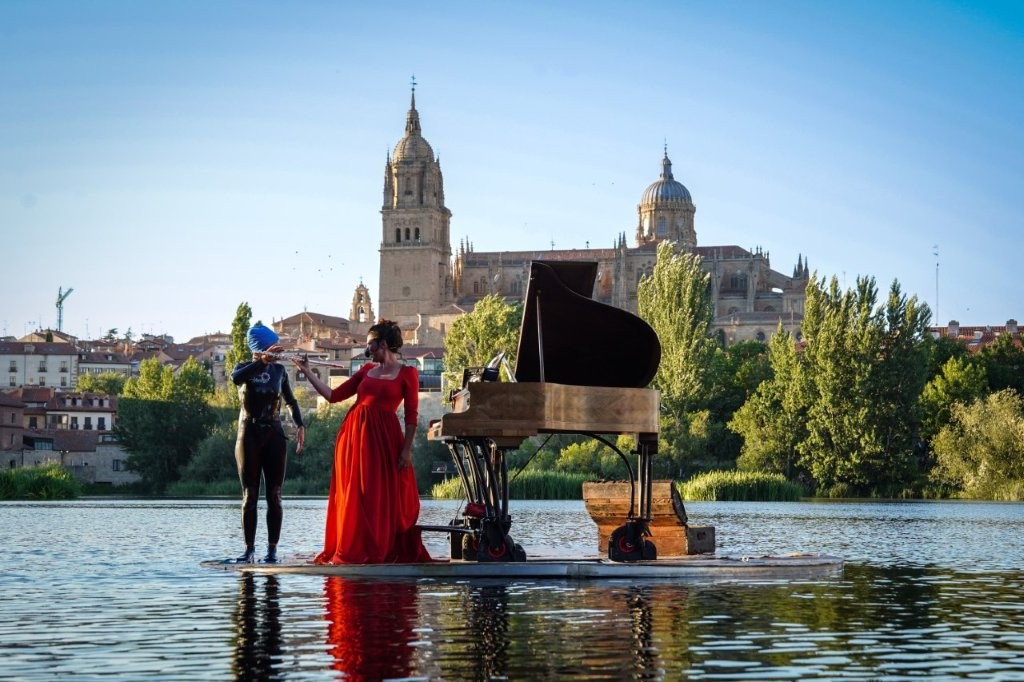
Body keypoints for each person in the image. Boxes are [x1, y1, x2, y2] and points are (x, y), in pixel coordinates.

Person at [293, 319, 431, 564]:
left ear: (385, 344)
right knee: (357, 495)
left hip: (385, 440)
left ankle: (379, 548)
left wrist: (406, 450)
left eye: (371, 346)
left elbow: (411, 417)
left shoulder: (407, 374)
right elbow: (334, 396)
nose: (367, 351)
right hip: (354, 440)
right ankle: (354, 548)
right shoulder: (366, 370)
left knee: (379, 495)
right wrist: (306, 372)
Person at [232, 322, 305, 563]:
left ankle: (272, 550)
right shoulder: (243, 367)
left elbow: (291, 401)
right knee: (249, 494)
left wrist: (300, 424)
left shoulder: (280, 371)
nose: (277, 352)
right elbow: (236, 379)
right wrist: (262, 361)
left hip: (273, 433)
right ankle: (249, 549)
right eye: (272, 348)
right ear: (261, 348)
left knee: (274, 494)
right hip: (249, 433)